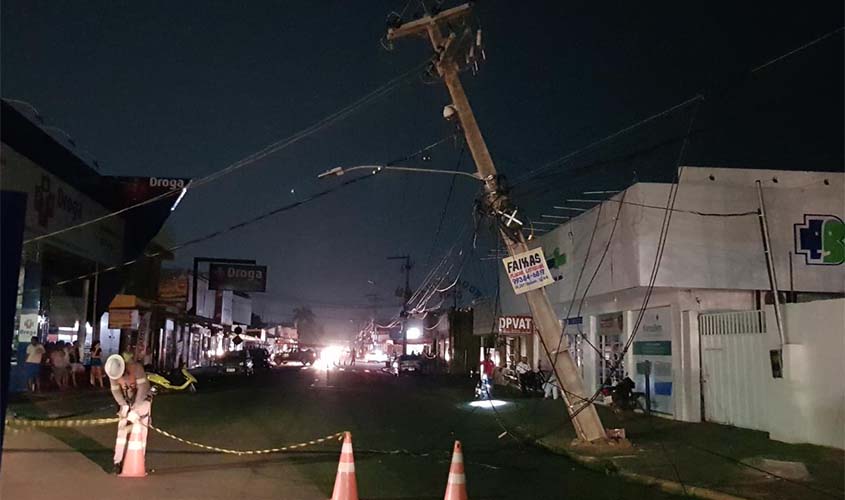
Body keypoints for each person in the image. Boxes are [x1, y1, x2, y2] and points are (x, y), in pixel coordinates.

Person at [108, 348, 152, 475]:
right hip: (127, 401)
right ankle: (117, 461)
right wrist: (123, 405)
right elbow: (115, 391)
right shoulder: (112, 371)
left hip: (142, 400)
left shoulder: (136, 368)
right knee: (122, 431)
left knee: (141, 431)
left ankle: (139, 460)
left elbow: (143, 388)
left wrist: (135, 408)